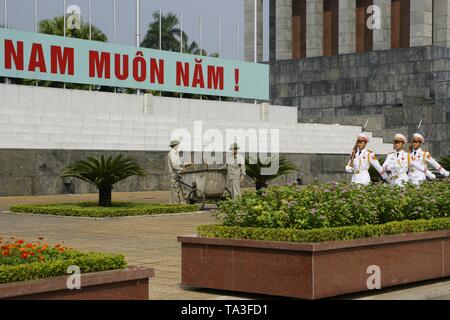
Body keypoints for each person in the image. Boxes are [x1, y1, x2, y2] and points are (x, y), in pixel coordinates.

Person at [167, 139, 189, 204]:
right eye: (178, 145)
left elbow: (179, 163)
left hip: (178, 173)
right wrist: (181, 169)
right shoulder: (172, 153)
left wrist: (186, 164)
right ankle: (176, 203)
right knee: (174, 188)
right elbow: (174, 165)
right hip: (174, 174)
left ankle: (175, 203)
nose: (178, 146)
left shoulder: (176, 153)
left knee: (179, 188)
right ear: (175, 146)